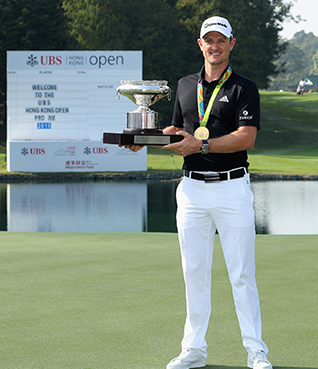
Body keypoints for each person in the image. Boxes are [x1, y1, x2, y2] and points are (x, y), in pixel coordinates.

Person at [125, 16, 272, 369]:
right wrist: (146, 139)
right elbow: (179, 129)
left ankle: (256, 351)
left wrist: (201, 148)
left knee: (241, 274)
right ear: (200, 44)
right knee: (194, 271)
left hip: (233, 187)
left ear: (231, 44)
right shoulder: (186, 84)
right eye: (209, 40)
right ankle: (194, 349)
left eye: (222, 40)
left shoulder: (243, 87)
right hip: (191, 190)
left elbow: (245, 136)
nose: (215, 46)